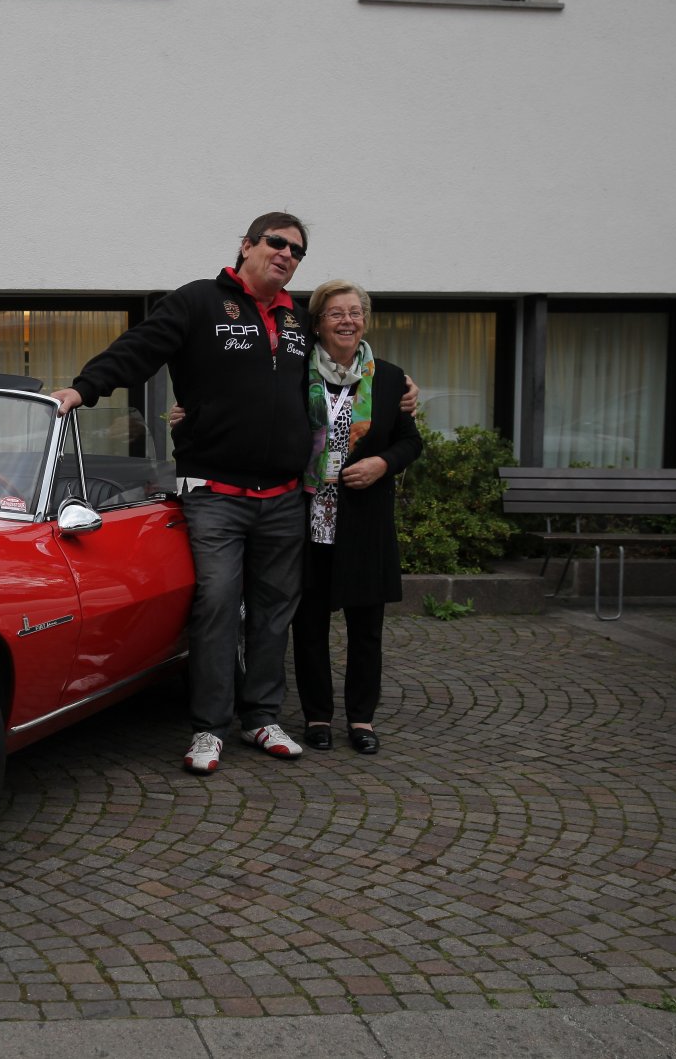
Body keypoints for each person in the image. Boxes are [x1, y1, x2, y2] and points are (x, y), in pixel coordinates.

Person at [51, 213, 359, 775]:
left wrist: (398, 384)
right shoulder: (198, 302)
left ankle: (261, 716)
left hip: (283, 496)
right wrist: (82, 388)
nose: (287, 255)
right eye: (277, 243)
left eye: (297, 251)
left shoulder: (296, 318)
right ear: (247, 245)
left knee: (273, 611)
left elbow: (343, 363)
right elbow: (139, 348)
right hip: (216, 494)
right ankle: (209, 727)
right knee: (217, 603)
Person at [291, 279, 421, 755]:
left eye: (355, 312)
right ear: (317, 323)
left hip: (364, 522)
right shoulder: (293, 374)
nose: (347, 321)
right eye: (336, 313)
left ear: (365, 321)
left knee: (366, 628)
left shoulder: (389, 378)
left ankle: (362, 718)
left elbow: (411, 441)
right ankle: (317, 716)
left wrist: (383, 463)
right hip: (307, 519)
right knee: (309, 626)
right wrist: (189, 411)